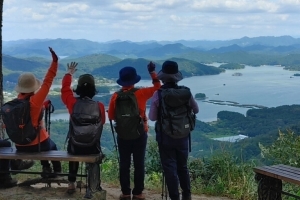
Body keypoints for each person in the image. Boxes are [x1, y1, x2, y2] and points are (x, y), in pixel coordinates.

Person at [108, 63, 161, 200]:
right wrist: (153, 73)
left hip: (123, 135)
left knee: (124, 163)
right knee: (139, 163)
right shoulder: (141, 93)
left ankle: (125, 193)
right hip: (139, 133)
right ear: (134, 80)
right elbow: (158, 88)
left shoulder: (115, 96)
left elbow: (112, 116)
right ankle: (138, 193)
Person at [148, 61, 199, 200]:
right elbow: (196, 110)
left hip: (166, 138)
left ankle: (174, 197)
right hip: (183, 136)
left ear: (163, 77)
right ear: (177, 76)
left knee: (170, 168)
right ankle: (187, 195)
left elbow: (152, 117)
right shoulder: (185, 92)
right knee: (182, 167)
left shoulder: (158, 95)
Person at [13, 47, 61, 178]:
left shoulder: (14, 104)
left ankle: (46, 168)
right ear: (33, 86)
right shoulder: (35, 101)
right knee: (50, 144)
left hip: (20, 145)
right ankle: (55, 171)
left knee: (42, 140)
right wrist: (55, 62)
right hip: (38, 145)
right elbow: (48, 81)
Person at [61, 62, 106, 194]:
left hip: (75, 147)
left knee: (73, 144)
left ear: (79, 88)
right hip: (93, 147)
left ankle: (71, 182)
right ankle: (93, 185)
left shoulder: (72, 102)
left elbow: (65, 89)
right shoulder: (100, 106)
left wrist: (69, 73)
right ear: (93, 89)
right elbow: (101, 123)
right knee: (94, 155)